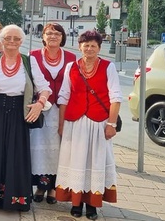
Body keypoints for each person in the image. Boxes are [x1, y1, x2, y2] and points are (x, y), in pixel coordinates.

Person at [0, 24, 51, 212]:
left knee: (15, 155)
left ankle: (14, 199)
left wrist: (40, 104)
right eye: (8, 38)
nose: (12, 42)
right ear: (1, 40)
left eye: (16, 39)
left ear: (22, 41)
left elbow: (44, 87)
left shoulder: (29, 62)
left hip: (18, 113)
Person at [56, 30, 121, 220]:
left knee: (94, 161)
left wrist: (112, 124)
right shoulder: (71, 67)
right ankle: (76, 203)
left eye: (93, 45)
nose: (89, 48)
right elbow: (64, 96)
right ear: (79, 47)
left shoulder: (108, 67)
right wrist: (61, 124)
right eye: (86, 45)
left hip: (98, 123)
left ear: (99, 48)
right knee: (75, 161)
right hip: (75, 123)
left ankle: (92, 205)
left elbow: (115, 97)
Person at [29, 23, 77, 204]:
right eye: (49, 33)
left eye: (57, 33)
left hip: (62, 109)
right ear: (43, 36)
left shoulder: (71, 57)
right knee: (40, 150)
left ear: (63, 37)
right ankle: (40, 186)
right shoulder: (33, 55)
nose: (53, 36)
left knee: (59, 149)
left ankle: (54, 189)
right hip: (40, 110)